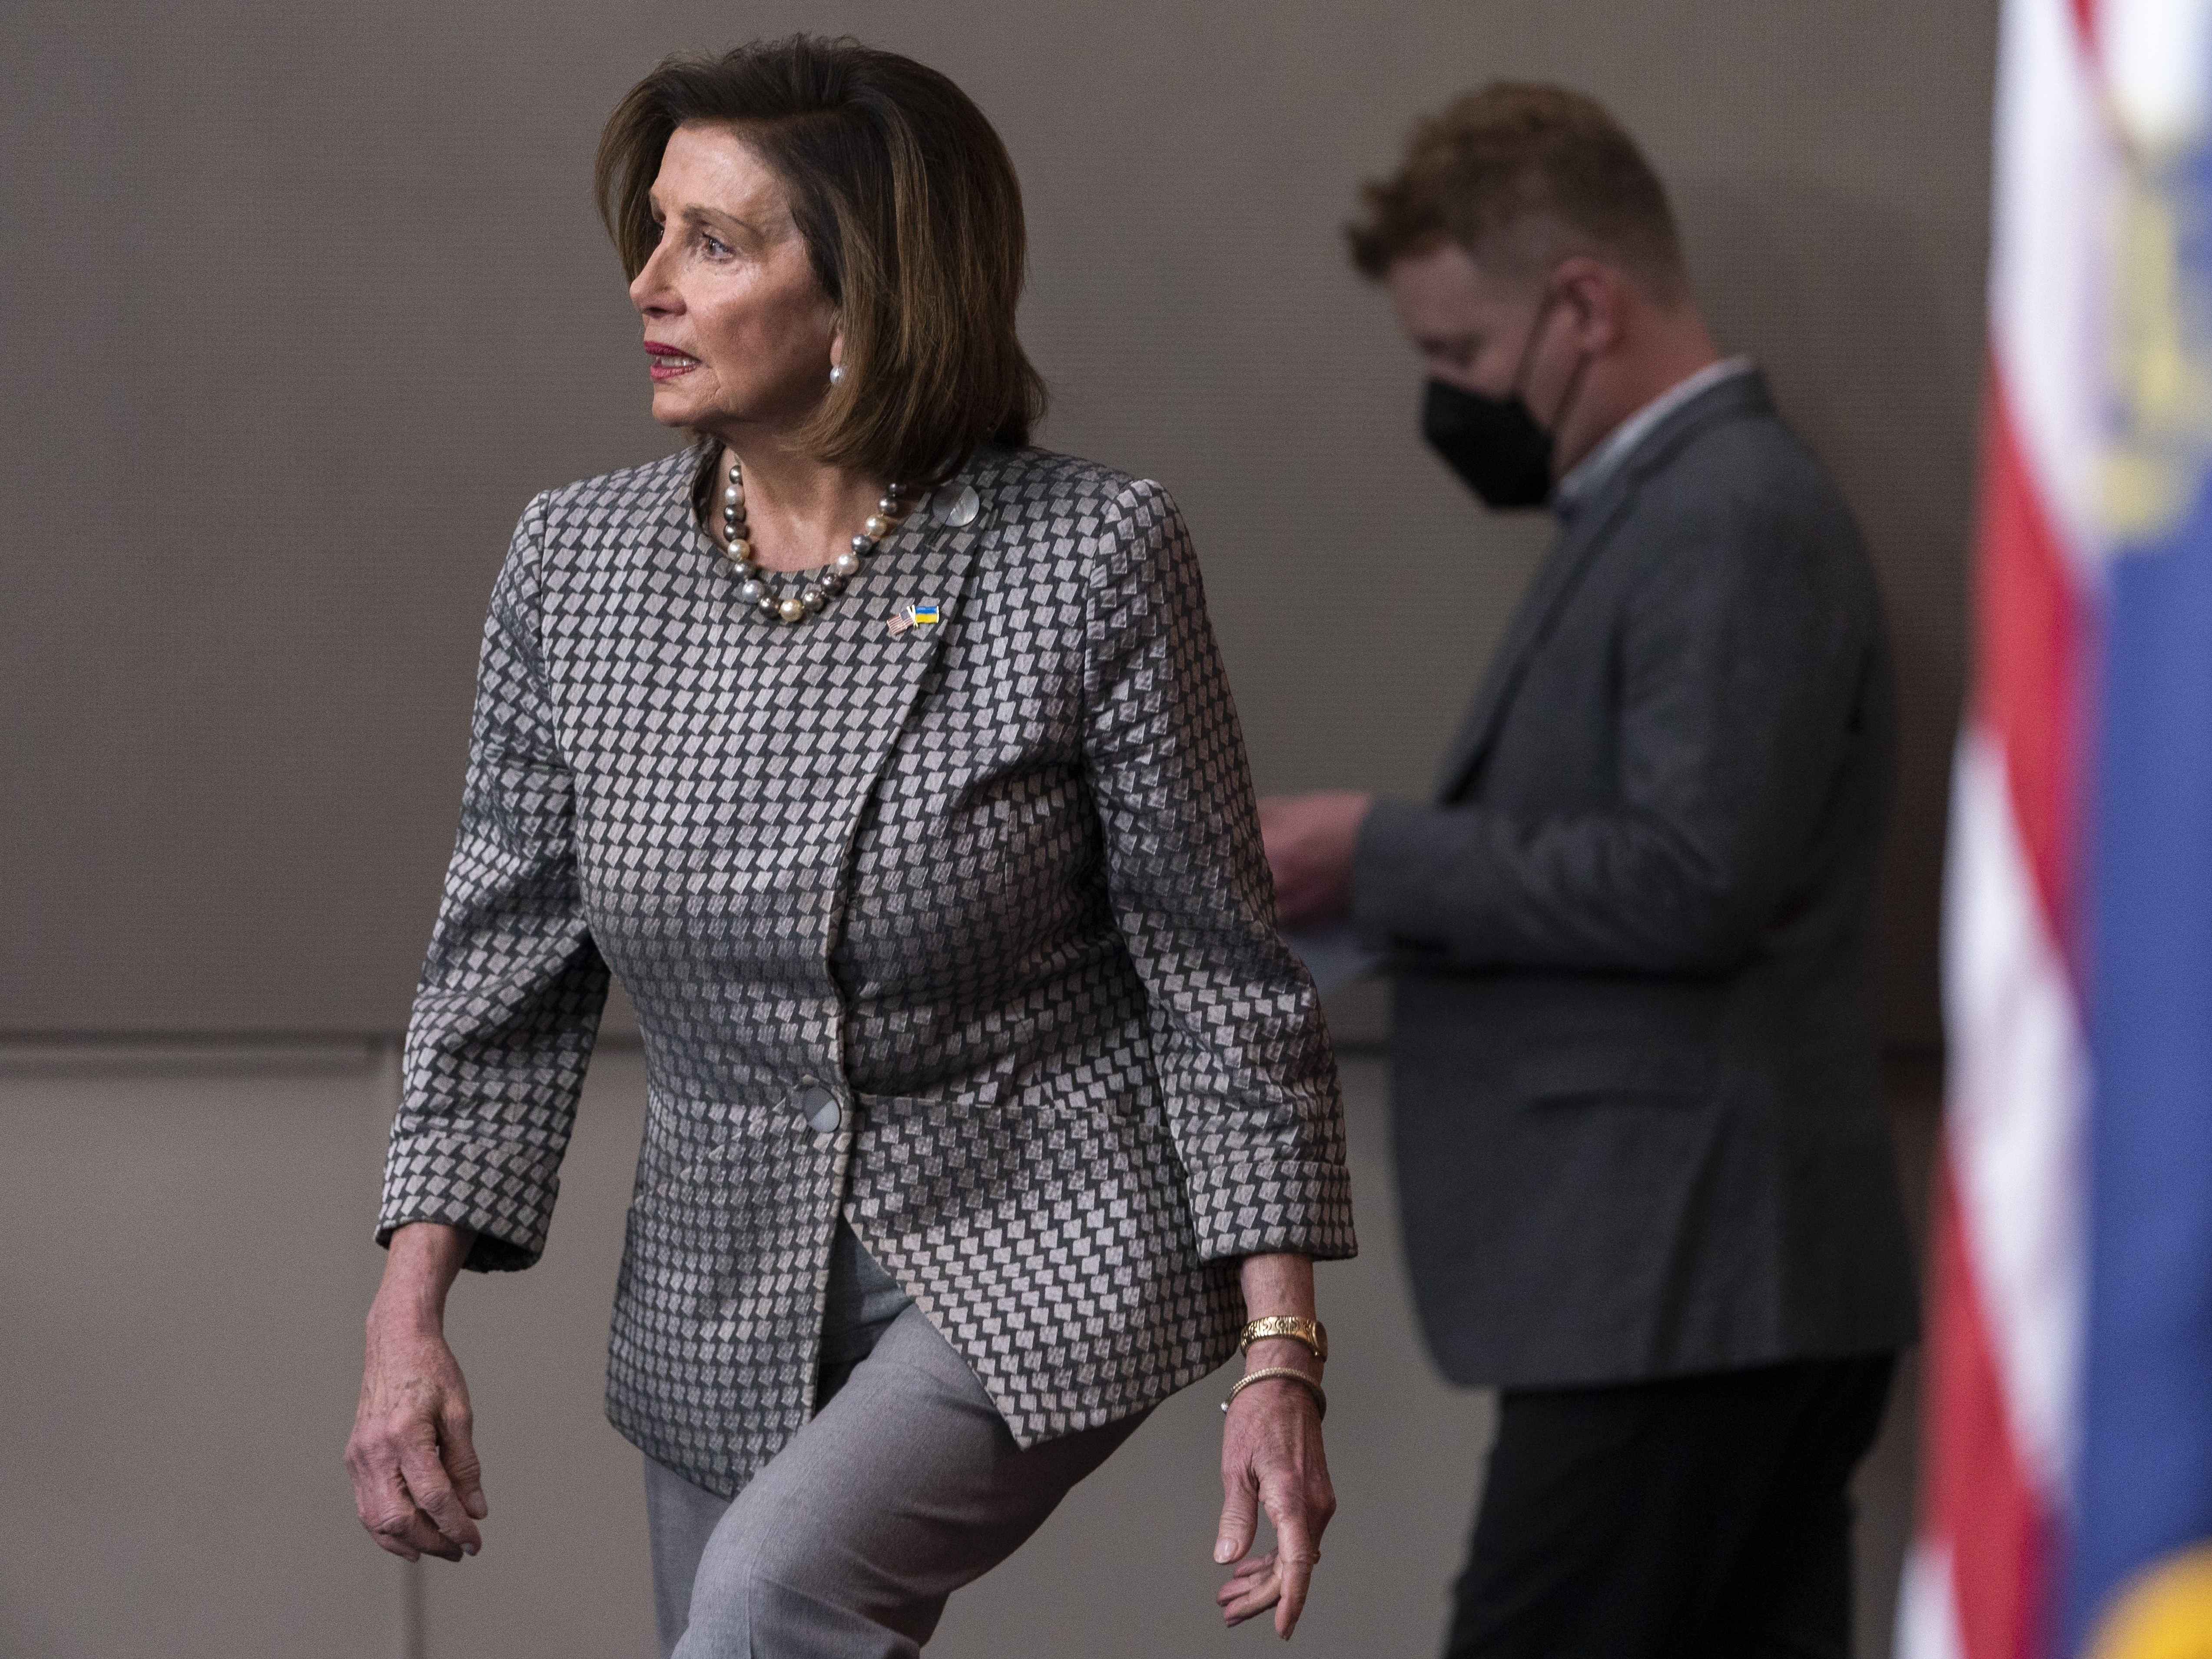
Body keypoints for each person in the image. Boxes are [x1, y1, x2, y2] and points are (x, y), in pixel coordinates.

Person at [344, 37, 1354, 1657]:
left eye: (716, 243)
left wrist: (1280, 1355)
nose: (647, 283)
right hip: (716, 1274)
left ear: (869, 298)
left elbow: (1220, 979)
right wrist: (408, 1316)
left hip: (1037, 1229)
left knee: (770, 1597)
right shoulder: (574, 563)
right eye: (654, 228)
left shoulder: (1092, 552)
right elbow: (499, 972)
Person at [1260, 84, 1918, 1658]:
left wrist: (1371, 848)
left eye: (1455, 355)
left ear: (1581, 304)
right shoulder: (1664, 507)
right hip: (1696, 1283)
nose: (1448, 399)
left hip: (1685, 1281)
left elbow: (1692, 877)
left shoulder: (1730, 512)